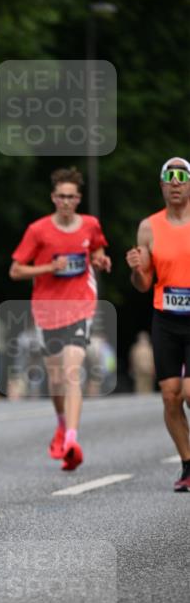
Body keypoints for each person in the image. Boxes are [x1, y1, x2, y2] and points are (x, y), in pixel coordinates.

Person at [9, 167, 111, 470]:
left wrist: (100, 259)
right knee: (56, 380)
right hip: (47, 311)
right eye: (61, 197)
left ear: (78, 199)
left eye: (71, 197)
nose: (66, 201)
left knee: (71, 373)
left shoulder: (90, 225)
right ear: (53, 198)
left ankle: (71, 439)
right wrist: (49, 268)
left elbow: (97, 249)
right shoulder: (38, 230)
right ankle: (62, 423)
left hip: (80, 308)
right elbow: (15, 271)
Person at [126, 156, 190, 492]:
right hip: (165, 318)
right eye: (170, 176)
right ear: (162, 184)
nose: (176, 182)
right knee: (169, 396)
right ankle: (188, 465)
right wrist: (137, 268)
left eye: (182, 176)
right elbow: (143, 283)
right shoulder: (148, 227)